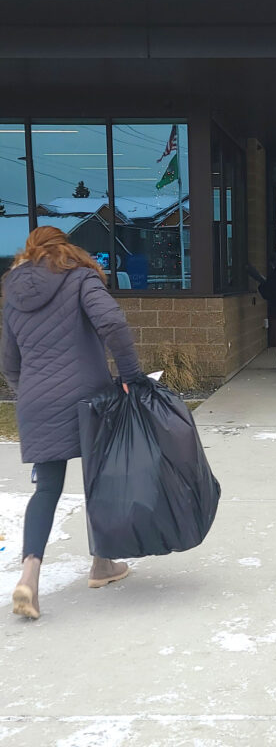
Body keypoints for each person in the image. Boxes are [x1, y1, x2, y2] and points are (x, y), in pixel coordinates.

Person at [0, 227, 142, 620]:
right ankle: (102, 563)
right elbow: (111, 323)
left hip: (35, 399)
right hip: (88, 397)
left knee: (46, 488)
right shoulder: (79, 277)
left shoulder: (13, 291)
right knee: (99, 478)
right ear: (65, 247)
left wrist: (29, 391)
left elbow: (9, 360)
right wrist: (131, 375)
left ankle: (29, 574)